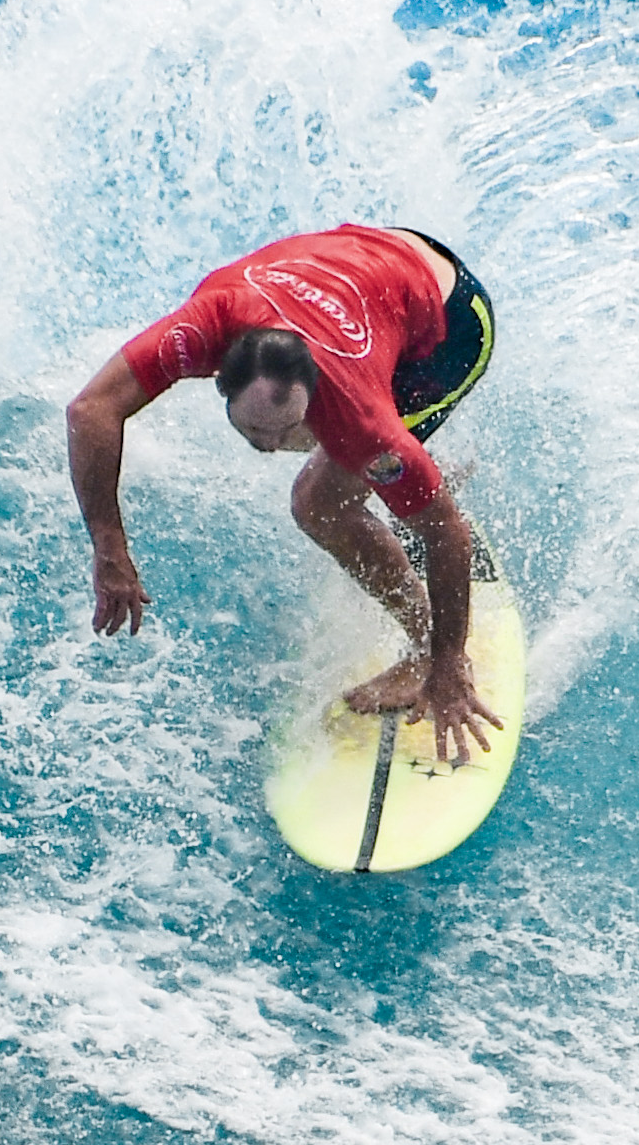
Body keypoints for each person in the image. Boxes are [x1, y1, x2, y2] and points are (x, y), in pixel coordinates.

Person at [66, 223, 503, 766]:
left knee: (319, 503)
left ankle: (421, 644)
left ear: (313, 392)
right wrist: (109, 549)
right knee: (345, 462)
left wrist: (448, 664)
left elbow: (446, 533)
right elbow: (91, 410)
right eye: (255, 433)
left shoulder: (358, 416)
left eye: (286, 428)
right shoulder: (206, 325)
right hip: (374, 263)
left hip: (449, 323)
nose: (270, 448)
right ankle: (408, 482)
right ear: (218, 376)